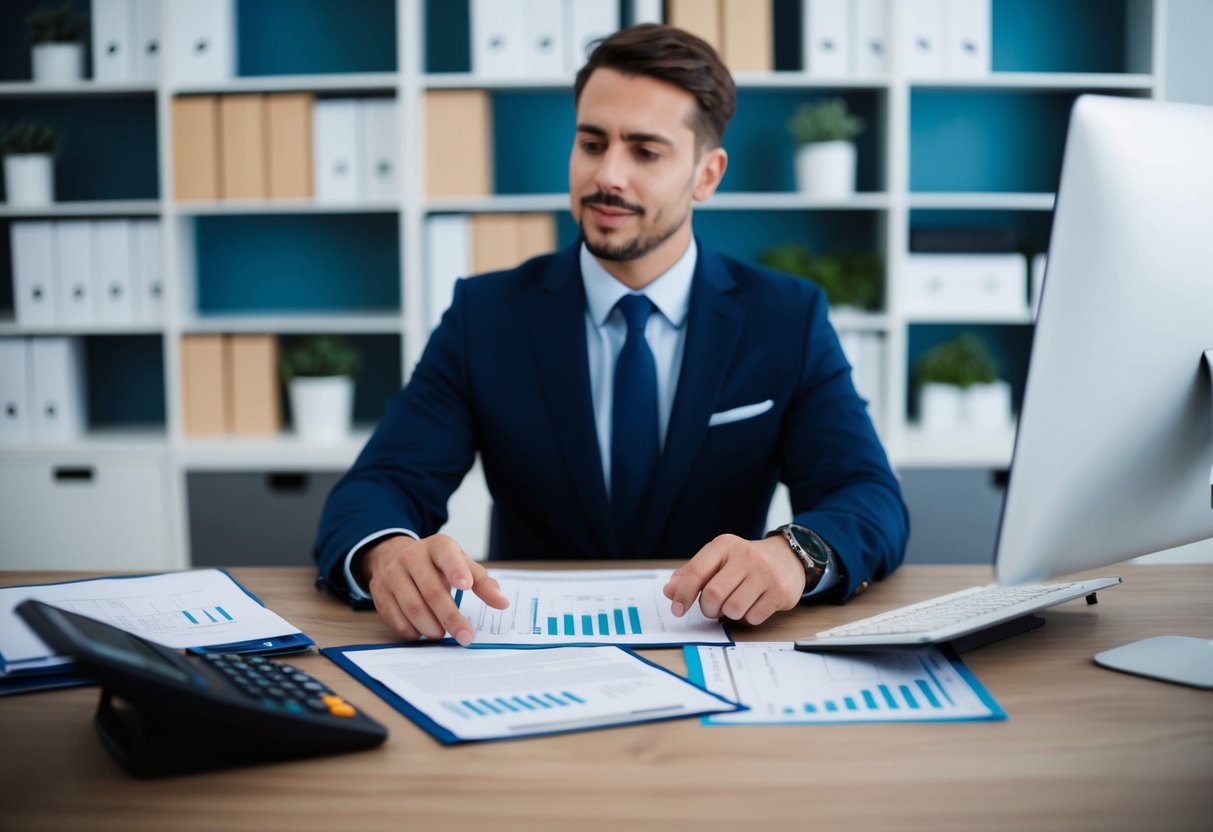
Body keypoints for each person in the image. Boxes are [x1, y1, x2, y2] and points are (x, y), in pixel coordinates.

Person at [313, 24, 909, 645]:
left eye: (645, 152)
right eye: (592, 143)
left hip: (720, 651)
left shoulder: (786, 317)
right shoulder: (485, 315)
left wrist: (797, 555)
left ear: (706, 175)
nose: (608, 176)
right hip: (529, 654)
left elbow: (866, 494)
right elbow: (379, 485)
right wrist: (386, 553)